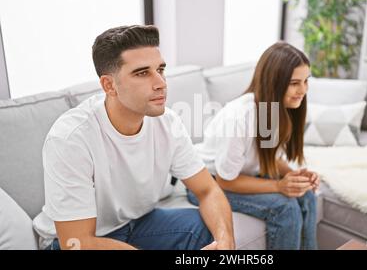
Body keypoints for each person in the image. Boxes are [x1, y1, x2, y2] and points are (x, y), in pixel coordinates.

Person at [32, 25, 235, 250]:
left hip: (135, 224)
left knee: (209, 229)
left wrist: (226, 243)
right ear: (109, 85)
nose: (161, 83)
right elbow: (78, 242)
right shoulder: (70, 138)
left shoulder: (168, 122)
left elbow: (208, 191)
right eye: (142, 73)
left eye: (160, 69)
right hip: (72, 241)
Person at [188, 42, 319, 250]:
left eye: (305, 81)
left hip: (240, 175)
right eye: (295, 83)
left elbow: (267, 157)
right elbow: (226, 181)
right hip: (207, 183)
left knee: (307, 195)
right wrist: (278, 186)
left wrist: (295, 176)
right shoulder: (240, 117)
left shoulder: (275, 110)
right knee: (285, 208)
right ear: (275, 82)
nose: (303, 90)